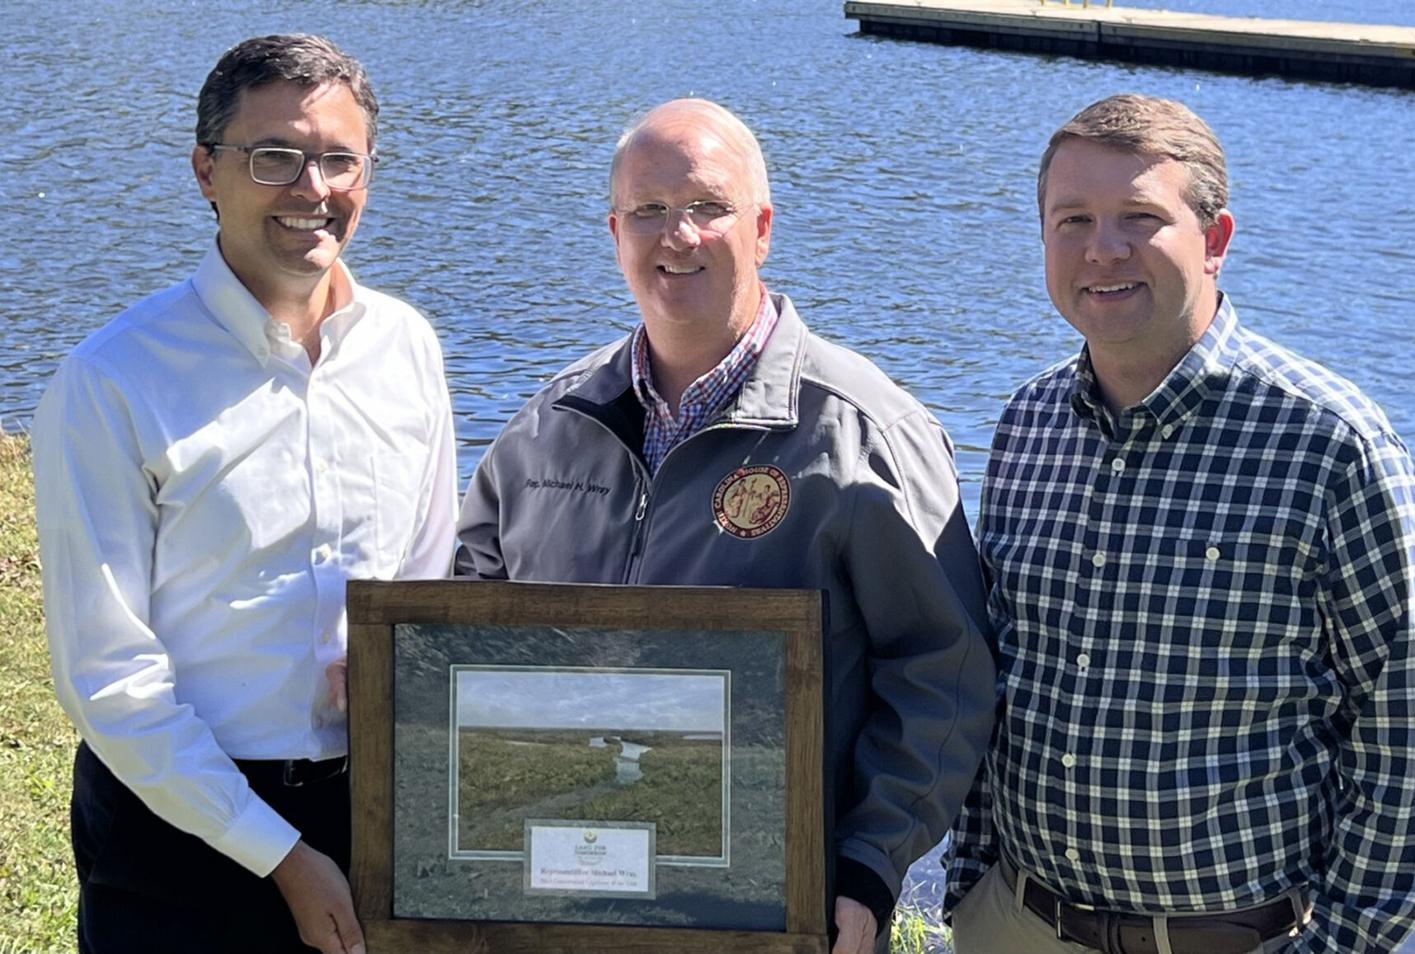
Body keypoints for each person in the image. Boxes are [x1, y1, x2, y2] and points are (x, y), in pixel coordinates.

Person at [455, 97, 994, 954]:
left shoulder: (864, 433)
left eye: (708, 207)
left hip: (772, 909)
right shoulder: (548, 425)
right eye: (650, 211)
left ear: (763, 227)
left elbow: (943, 669)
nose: (679, 236)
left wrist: (869, 864)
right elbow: (465, 629)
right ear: (615, 231)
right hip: (560, 891)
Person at [945, 93, 1415, 954]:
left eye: (1139, 218)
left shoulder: (1329, 443)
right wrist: (970, 885)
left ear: (1215, 241)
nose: (1101, 250)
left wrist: (1337, 944)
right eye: (1072, 219)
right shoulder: (1026, 423)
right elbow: (993, 673)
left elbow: (1412, 725)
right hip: (1018, 923)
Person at [32, 34, 458, 954]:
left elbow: (425, 577)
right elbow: (107, 677)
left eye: (340, 159)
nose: (313, 188)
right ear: (205, 171)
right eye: (275, 157)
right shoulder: (111, 380)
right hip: (176, 827)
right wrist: (282, 857)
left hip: (371, 806)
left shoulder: (408, 348)